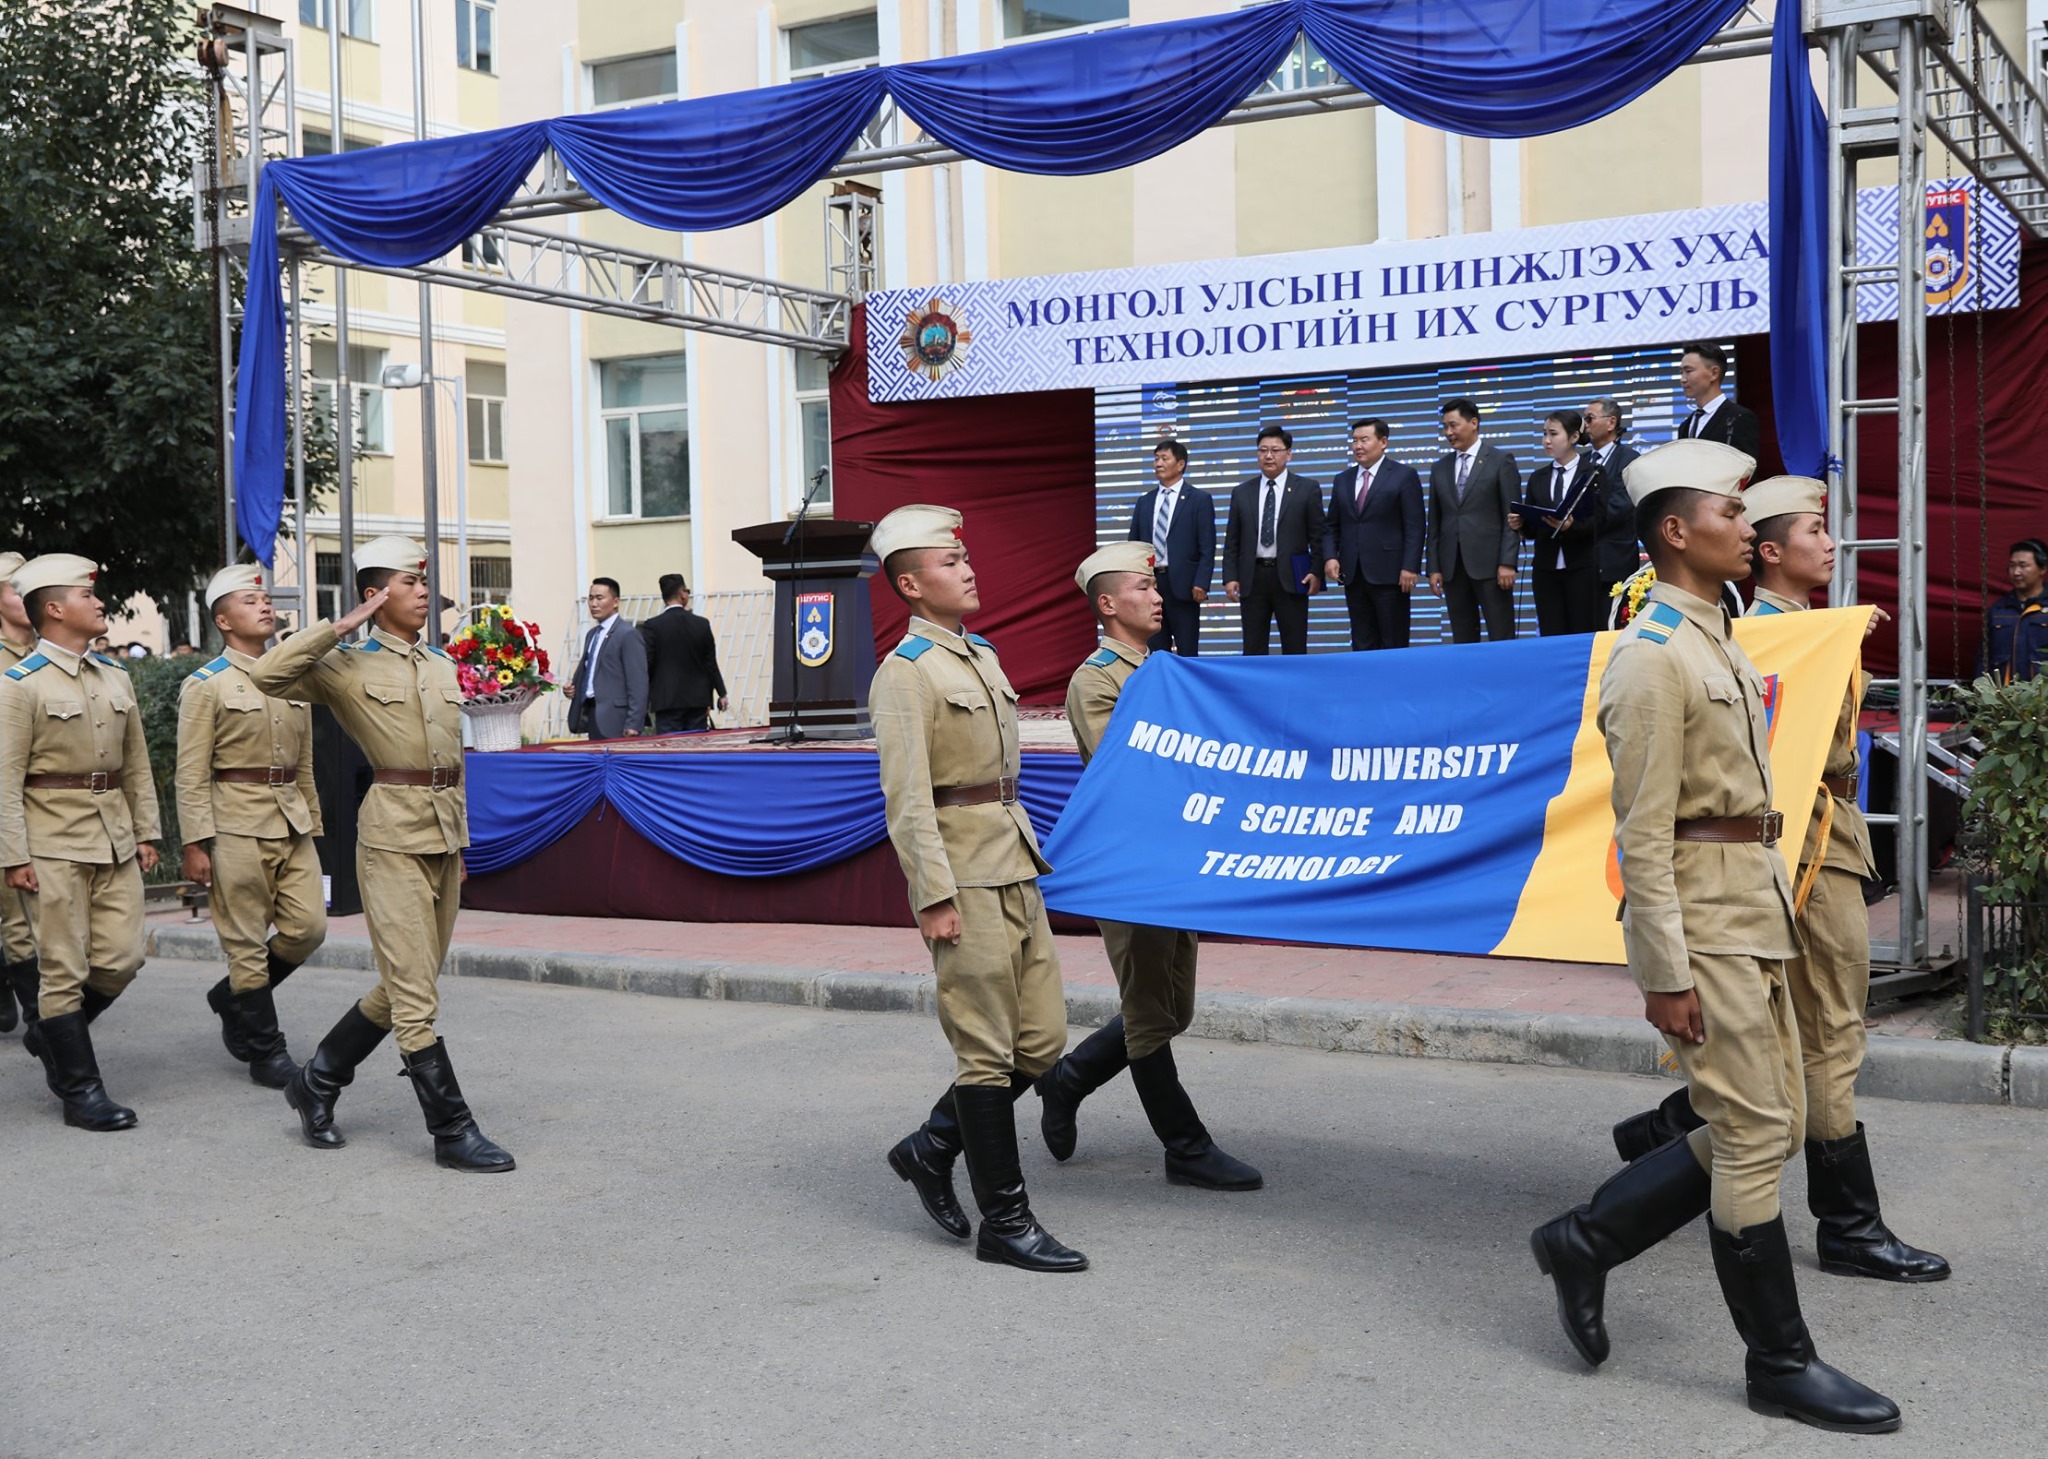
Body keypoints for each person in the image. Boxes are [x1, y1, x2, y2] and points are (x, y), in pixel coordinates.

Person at [1528, 441, 1900, 1433]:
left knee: (1770, 1120)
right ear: (1674, 533)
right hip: (1704, 920)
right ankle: (1778, 1361)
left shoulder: (1717, 639)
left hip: (1752, 907)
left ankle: (1584, 1238)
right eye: (1730, 515)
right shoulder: (1650, 659)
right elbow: (1639, 835)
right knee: (1749, 1135)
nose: (1749, 528)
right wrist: (1661, 970)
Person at [1609, 476, 1948, 1286]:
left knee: (1791, 1065)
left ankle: (1662, 1135)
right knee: (1828, 1041)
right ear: (1764, 549)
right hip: (1798, 857)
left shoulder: (1774, 632)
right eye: (1813, 531)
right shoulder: (1741, 637)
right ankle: (1847, 1224)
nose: (1831, 544)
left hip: (1811, 844)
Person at [248, 535, 514, 1173]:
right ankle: (451, 1129)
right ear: (375, 595)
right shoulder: (346, 664)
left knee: (405, 986)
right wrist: (340, 627)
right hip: (391, 836)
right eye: (409, 581)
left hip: (445, 837)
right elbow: (267, 674)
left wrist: (463, 843)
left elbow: (455, 765)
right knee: (417, 997)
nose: (425, 591)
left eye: (425, 582)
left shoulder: (440, 665)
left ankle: (317, 1080)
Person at [870, 505, 1084, 1274]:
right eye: (949, 561)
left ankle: (931, 1145)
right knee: (986, 1052)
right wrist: (933, 893)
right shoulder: (906, 673)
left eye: (965, 557)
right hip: (961, 874)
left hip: (1015, 863)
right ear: (910, 584)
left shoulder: (980, 656)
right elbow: (909, 797)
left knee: (1043, 1041)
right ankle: (1008, 1220)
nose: (968, 568)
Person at [1035, 541, 1263, 1191]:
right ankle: (1185, 1145)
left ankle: (1069, 1078)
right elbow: (1128, 768)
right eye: (1142, 586)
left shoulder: (1167, 669)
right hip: (1131, 865)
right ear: (1108, 604)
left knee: (1171, 1008)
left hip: (1176, 859)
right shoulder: (1097, 679)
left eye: (1156, 585)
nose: (1157, 595)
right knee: (1146, 1011)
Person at [0, 554, 162, 1131]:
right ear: (54, 609)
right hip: (50, 843)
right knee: (62, 968)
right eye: (87, 596)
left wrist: (147, 831)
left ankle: (51, 1035)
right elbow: (5, 778)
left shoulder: (114, 677)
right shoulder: (19, 686)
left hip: (114, 838)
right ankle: (80, 1091)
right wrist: (13, 857)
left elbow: (137, 765)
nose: (99, 603)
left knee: (123, 958)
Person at [178, 564, 328, 1090]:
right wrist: (195, 843)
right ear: (223, 619)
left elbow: (304, 761)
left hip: (290, 818)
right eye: (249, 601)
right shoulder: (206, 685)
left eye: (265, 599)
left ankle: (230, 997)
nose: (264, 606)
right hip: (234, 822)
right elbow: (191, 771)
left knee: (309, 929)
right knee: (244, 941)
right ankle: (266, 1052)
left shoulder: (293, 678)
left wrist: (313, 822)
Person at [1222, 425, 1328, 655]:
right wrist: (1230, 577)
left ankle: (1295, 690)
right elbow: (1232, 540)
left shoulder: (1307, 489)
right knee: (1253, 646)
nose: (1268, 456)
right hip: (1253, 577)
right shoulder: (1242, 492)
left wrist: (1316, 570)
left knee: (1294, 644)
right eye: (1262, 450)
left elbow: (1318, 535)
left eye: (1275, 450)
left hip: (1292, 578)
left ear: (1288, 454)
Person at [1326, 419, 1425, 651]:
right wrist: (1331, 556)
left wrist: (1410, 566)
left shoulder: (1404, 475)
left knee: (1393, 640)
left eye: (1364, 440)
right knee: (1362, 640)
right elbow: (1331, 525)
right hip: (1353, 573)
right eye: (1354, 440)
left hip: (1391, 574)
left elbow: (1415, 525)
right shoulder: (1343, 480)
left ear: (1383, 442)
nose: (1357, 446)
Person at [1427, 398, 1520, 643]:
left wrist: (1507, 562)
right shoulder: (1439, 468)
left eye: (1453, 425)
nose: (1448, 432)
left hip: (1491, 567)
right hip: (1453, 567)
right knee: (1462, 637)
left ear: (1474, 423)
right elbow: (1435, 522)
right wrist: (1434, 567)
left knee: (1501, 635)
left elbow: (1511, 517)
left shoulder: (1500, 461)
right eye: (1445, 426)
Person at [1508, 409, 1606, 636]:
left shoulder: (1593, 473)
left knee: (1583, 631)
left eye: (1553, 434)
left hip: (1581, 567)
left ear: (1573, 437)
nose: (1546, 440)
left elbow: (1600, 521)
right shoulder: (1538, 477)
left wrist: (1572, 527)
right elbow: (1533, 528)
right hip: (1546, 569)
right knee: (1551, 632)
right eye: (1544, 434)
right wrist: (1521, 524)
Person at [1126, 439, 1215, 656]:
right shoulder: (1145, 501)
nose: (1158, 463)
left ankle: (1187, 690)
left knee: (1187, 650)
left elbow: (1207, 546)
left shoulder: (1199, 500)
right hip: (1151, 584)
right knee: (1155, 650)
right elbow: (1133, 545)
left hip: (1185, 586)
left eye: (1164, 458)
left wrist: (1201, 582)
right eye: (1156, 459)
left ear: (1181, 464)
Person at [0, 552, 37, 1037]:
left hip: (41, 802)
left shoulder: (45, 656)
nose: (25, 598)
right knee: (17, 914)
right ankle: (41, 1023)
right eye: (14, 590)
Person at [640, 574, 728, 732]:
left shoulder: (652, 626)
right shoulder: (701, 624)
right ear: (682, 594)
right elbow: (710, 663)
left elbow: (648, 663)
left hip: (666, 700)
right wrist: (722, 693)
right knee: (696, 750)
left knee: (670, 751)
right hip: (698, 700)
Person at [566, 577, 647, 739]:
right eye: (591, 598)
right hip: (592, 713)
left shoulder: (627, 634)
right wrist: (573, 688)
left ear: (615, 602)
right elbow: (592, 670)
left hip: (617, 719)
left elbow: (638, 683)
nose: (593, 604)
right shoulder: (592, 634)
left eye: (599, 598)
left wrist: (634, 723)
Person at [1585, 397, 1642, 598]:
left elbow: (1621, 506)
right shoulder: (1581, 461)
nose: (1585, 425)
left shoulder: (1630, 459)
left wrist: (1577, 523)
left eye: (1590, 418)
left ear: (1611, 422)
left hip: (1615, 561)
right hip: (1582, 563)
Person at [1675, 341, 1763, 458]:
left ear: (1714, 373)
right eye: (1681, 372)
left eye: (1688, 371)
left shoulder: (1740, 417)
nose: (1683, 379)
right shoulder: (1685, 426)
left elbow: (1747, 469)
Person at [1979, 537, 2048, 683]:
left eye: (2023, 566)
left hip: (2042, 699)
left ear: (2042, 568)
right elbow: (1983, 660)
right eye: (2012, 566)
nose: (2016, 572)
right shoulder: (1998, 610)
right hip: (2007, 699)